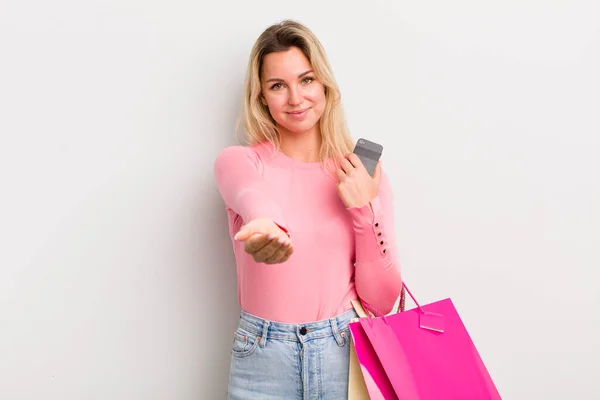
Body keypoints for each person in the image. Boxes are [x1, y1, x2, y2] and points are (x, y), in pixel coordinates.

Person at [213, 19, 402, 400]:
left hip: (343, 353)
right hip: (263, 360)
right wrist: (266, 225)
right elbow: (252, 196)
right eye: (277, 86)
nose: (296, 98)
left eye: (307, 80)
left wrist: (365, 208)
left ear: (325, 85)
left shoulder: (361, 175)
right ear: (262, 96)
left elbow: (381, 301)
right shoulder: (241, 162)